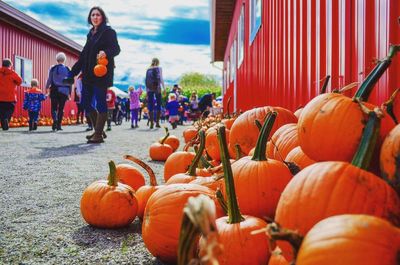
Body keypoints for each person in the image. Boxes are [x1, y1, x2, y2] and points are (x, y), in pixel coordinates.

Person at [68, 6, 120, 143]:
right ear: (90, 18)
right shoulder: (90, 34)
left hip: (101, 73)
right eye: (93, 15)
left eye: (98, 15)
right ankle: (99, 130)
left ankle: (97, 134)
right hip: (88, 74)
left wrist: (106, 52)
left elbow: (116, 49)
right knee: (85, 102)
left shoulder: (108, 32)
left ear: (102, 17)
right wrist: (72, 73)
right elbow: (83, 56)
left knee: (100, 102)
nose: (95, 17)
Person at [45, 52, 72, 131]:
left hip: (54, 90)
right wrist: (69, 92)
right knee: (61, 108)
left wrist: (46, 87)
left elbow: (49, 79)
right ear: (64, 60)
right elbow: (70, 82)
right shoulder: (68, 69)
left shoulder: (53, 68)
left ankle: (55, 120)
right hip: (64, 91)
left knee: (54, 107)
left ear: (57, 60)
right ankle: (59, 125)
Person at [0, 58, 22, 130]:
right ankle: (6, 120)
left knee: (1, 112)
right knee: (9, 110)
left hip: (0, 97)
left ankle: (4, 125)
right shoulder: (12, 73)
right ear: (10, 65)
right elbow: (19, 81)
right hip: (10, 97)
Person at [145, 57, 165, 129]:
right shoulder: (159, 68)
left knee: (150, 106)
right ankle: (157, 123)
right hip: (157, 88)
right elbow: (161, 78)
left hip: (149, 89)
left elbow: (146, 80)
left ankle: (151, 123)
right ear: (158, 62)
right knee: (158, 105)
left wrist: (147, 91)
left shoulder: (148, 69)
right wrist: (164, 88)